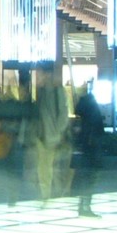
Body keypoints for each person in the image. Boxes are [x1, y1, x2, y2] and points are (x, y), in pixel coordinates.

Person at [28, 66, 71, 202]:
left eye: (40, 73)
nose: (38, 77)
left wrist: (57, 131)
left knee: (50, 167)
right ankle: (45, 195)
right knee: (43, 167)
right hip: (41, 135)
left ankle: (54, 193)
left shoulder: (57, 91)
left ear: (48, 74)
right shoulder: (41, 92)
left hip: (52, 136)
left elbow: (63, 114)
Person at [72, 83, 105, 217]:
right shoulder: (89, 103)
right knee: (90, 176)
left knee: (88, 176)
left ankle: (84, 205)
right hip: (92, 145)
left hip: (89, 144)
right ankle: (85, 205)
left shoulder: (84, 103)